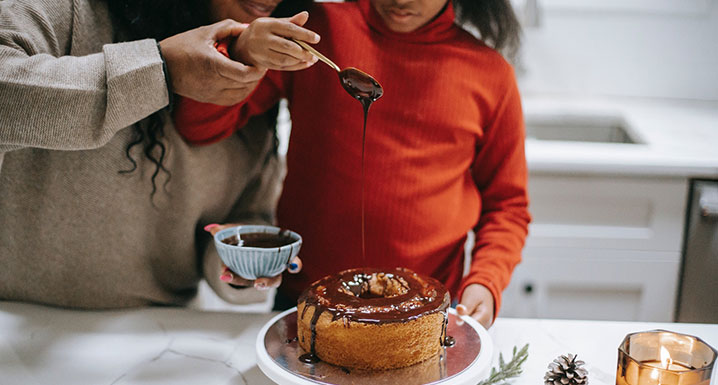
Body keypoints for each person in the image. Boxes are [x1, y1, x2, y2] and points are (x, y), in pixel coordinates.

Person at [174, 0, 531, 329]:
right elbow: (199, 125)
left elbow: (508, 207)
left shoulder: (490, 74)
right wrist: (241, 50)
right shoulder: (319, 33)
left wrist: (486, 281)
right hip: (305, 305)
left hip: (427, 312)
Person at [0, 0, 314, 309]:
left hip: (159, 339)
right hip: (15, 327)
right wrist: (161, 69)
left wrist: (243, 261)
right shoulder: (70, 10)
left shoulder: (257, 73)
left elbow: (244, 214)